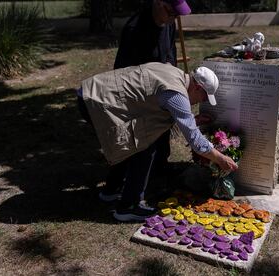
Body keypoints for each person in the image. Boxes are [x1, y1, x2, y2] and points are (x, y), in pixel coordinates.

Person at [78, 62, 238, 222]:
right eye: (204, 97)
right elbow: (195, 140)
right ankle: (128, 207)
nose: (200, 102)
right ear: (197, 87)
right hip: (97, 100)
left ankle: (111, 190)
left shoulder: (175, 74)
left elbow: (158, 106)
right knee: (144, 148)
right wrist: (220, 158)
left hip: (95, 90)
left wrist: (192, 120)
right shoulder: (176, 93)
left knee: (134, 144)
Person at [113, 0, 192, 176]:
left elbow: (170, 55)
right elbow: (125, 73)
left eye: (178, 15)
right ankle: (132, 180)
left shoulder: (168, 24)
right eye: (172, 13)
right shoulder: (135, 30)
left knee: (162, 135)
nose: (174, 18)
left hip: (160, 90)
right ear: (158, 3)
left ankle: (159, 170)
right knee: (143, 144)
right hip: (138, 93)